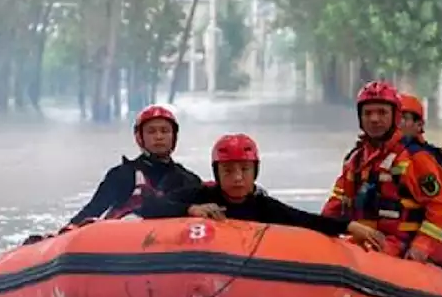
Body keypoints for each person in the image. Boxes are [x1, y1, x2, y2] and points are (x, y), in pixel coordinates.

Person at [139, 133, 386, 248]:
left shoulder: (263, 206)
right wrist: (190, 210)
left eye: (244, 170)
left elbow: (304, 219)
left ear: (254, 172)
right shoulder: (201, 196)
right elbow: (149, 207)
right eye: (228, 171)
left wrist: (348, 226)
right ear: (217, 174)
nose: (237, 178)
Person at [321, 81, 442, 264]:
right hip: (361, 243)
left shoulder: (416, 158)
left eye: (382, 112)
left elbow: (438, 208)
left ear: (395, 117)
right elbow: (334, 205)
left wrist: (421, 247)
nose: (374, 119)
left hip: (398, 247)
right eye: (368, 113)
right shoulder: (355, 160)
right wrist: (319, 233)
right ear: (360, 118)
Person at [66, 104, 202, 226]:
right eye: (151, 131)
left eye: (165, 131)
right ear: (140, 138)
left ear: (174, 137)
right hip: (126, 243)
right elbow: (93, 209)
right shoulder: (122, 175)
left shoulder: (189, 180)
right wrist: (66, 230)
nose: (159, 137)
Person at [393, 91, 442, 267]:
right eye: (395, 118)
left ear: (419, 125)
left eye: (403, 118)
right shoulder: (374, 157)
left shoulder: (420, 159)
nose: (397, 124)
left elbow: (438, 208)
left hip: (420, 243)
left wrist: (422, 246)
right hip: (388, 239)